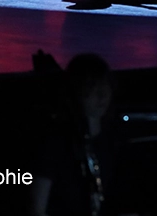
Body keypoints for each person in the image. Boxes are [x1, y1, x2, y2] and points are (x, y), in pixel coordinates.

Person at [31, 53, 116, 216]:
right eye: (92, 86)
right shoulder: (55, 143)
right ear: (77, 91)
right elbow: (37, 208)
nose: (102, 94)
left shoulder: (113, 139)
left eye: (105, 85)